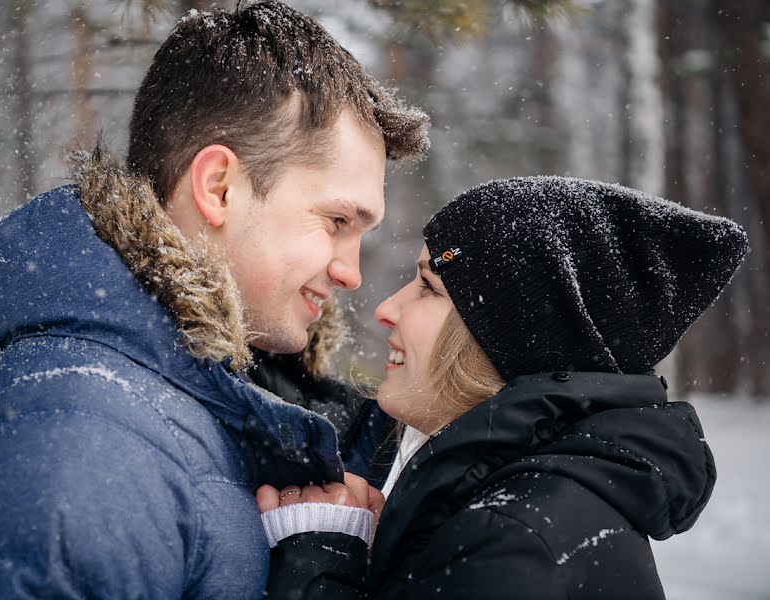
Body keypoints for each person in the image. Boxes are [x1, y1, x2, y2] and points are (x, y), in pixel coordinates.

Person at [0, 2, 428, 598]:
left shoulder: (216, 402)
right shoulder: (73, 444)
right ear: (218, 188)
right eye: (335, 221)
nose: (351, 273)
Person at [257, 176, 749, 599]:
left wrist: (318, 567)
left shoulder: (512, 546)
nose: (387, 307)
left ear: (508, 342)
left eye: (429, 286)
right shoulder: (519, 506)